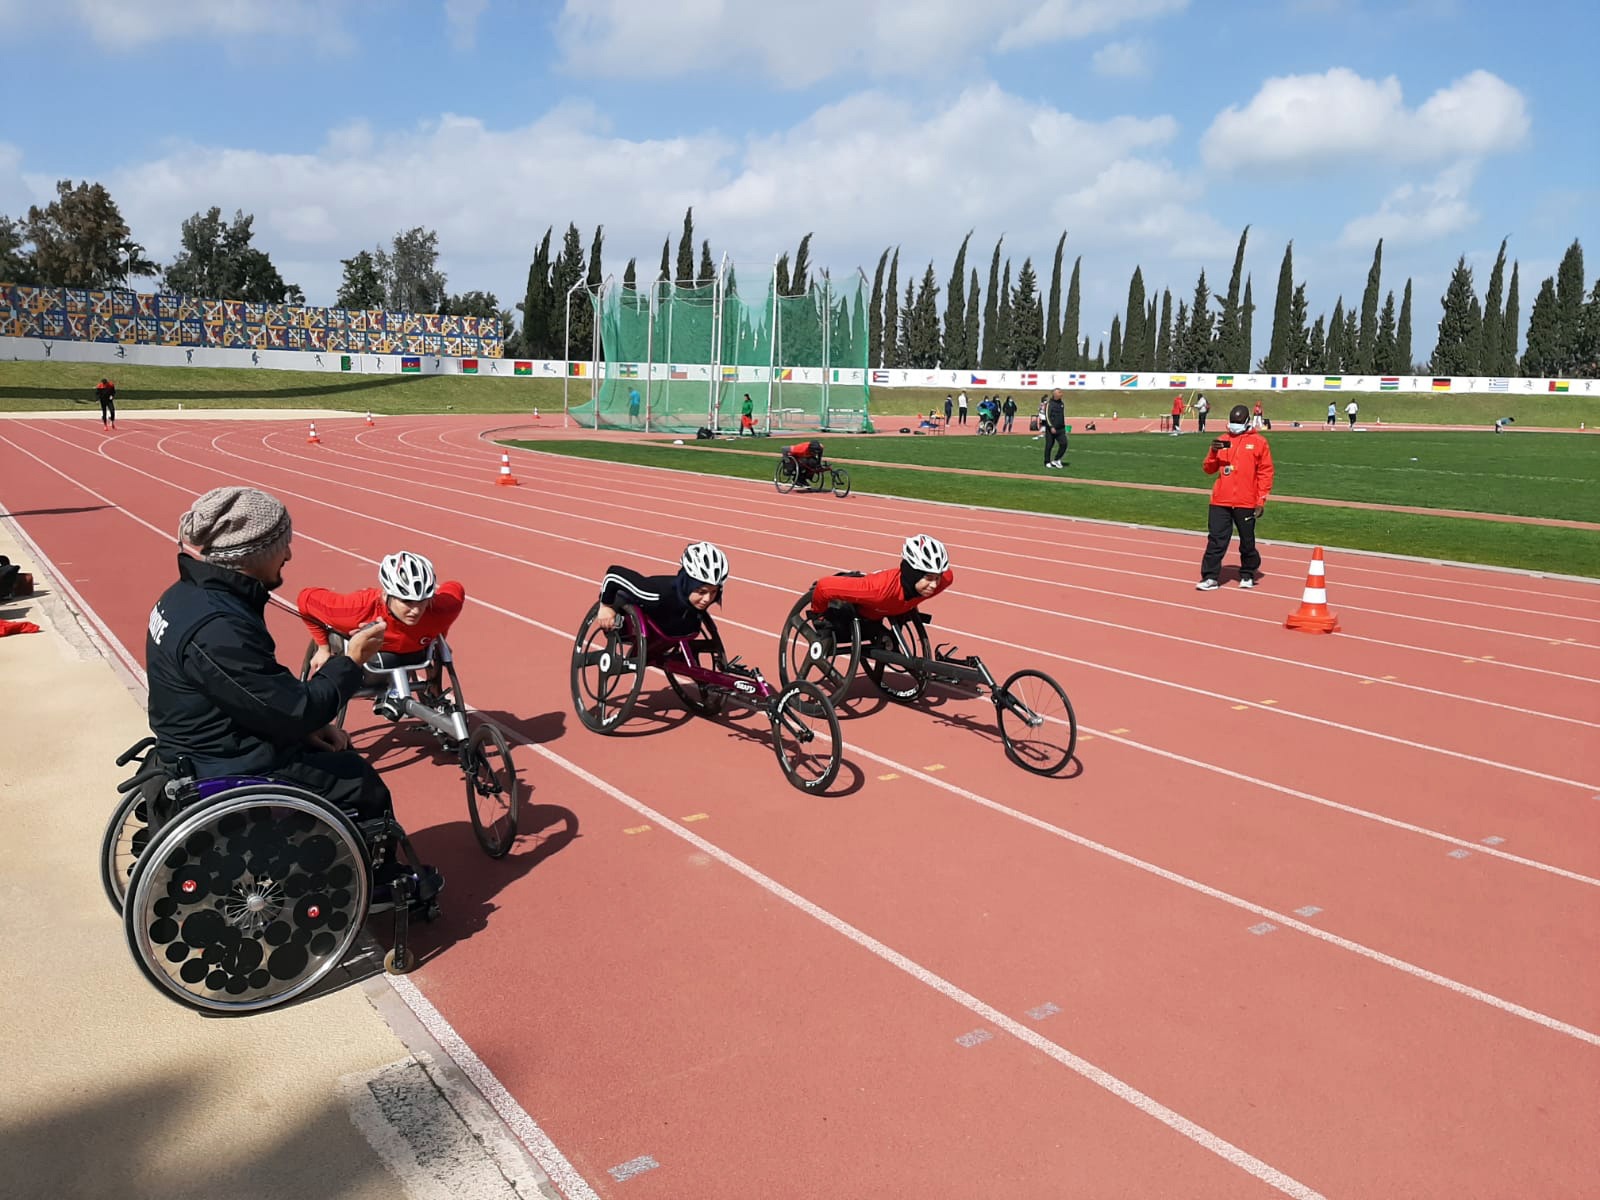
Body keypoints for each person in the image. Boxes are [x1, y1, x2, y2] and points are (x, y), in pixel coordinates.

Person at [145, 487, 399, 829]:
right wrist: (351, 661)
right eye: (281, 544)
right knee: (359, 784)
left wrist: (304, 730)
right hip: (221, 762)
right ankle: (379, 879)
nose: (289, 554)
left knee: (325, 753)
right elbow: (297, 710)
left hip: (204, 743)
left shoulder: (185, 596)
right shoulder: (218, 627)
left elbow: (253, 694)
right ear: (252, 554)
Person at [298, 551, 467, 704]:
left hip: (415, 652)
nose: (415, 610)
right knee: (385, 658)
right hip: (371, 655)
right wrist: (322, 647)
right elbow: (305, 599)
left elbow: (456, 588)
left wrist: (440, 632)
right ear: (386, 595)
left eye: (422, 601)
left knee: (435, 647)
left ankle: (433, 691)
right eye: (406, 601)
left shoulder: (443, 608)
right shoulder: (355, 609)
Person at [807, 534, 954, 645]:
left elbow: (946, 575)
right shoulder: (877, 590)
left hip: (886, 612)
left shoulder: (945, 580)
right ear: (912, 574)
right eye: (928, 578)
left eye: (937, 577)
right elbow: (823, 587)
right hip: (858, 613)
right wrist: (819, 617)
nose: (934, 585)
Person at [1196, 405, 1274, 591]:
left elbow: (1266, 472)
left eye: (1238, 423)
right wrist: (1214, 453)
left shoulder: (1258, 442)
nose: (1234, 426)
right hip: (1220, 500)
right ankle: (1210, 577)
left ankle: (1247, 573)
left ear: (1247, 422)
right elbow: (1208, 469)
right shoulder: (1222, 441)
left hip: (1246, 500)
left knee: (1247, 541)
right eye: (1232, 422)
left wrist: (1261, 500)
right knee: (1216, 539)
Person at [594, 541, 729, 637]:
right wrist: (605, 606)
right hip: (629, 607)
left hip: (671, 621)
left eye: (713, 592)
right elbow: (613, 575)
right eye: (701, 592)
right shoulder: (653, 594)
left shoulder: (696, 604)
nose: (707, 599)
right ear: (688, 585)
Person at [1042, 388, 1068, 469]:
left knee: (1064, 443)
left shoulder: (1061, 403)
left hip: (1060, 428)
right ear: (1055, 394)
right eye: (1059, 392)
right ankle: (1047, 461)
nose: (1061, 394)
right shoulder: (1049, 404)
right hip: (1051, 429)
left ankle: (1057, 459)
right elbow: (1047, 416)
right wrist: (1051, 426)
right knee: (1049, 445)